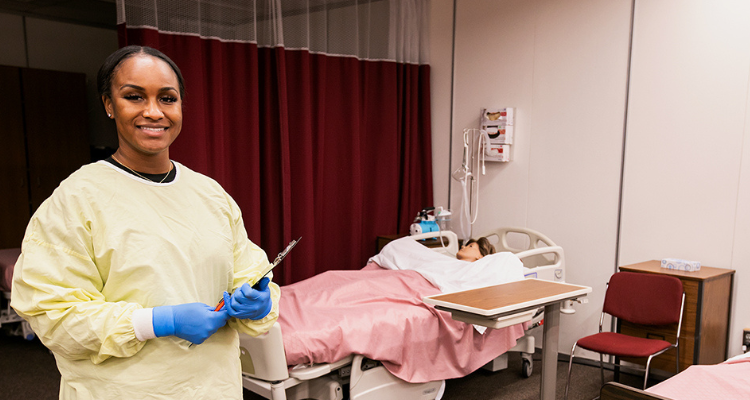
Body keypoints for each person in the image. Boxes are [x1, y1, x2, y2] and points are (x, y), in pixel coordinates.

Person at [11, 45, 280, 399]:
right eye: (134, 97)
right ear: (109, 104)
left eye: (167, 99)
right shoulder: (77, 199)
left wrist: (257, 301)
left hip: (214, 387)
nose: (154, 112)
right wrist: (155, 322)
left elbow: (251, 273)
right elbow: (53, 316)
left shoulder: (210, 195)